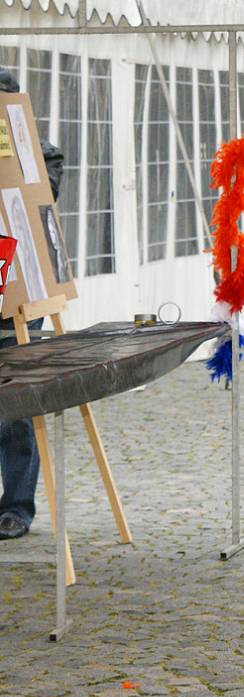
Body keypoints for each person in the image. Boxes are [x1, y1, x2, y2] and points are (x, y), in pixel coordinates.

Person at [0, 66, 64, 540]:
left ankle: (17, 506)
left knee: (18, 403)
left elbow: (43, 196)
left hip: (20, 287)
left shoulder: (40, 152)